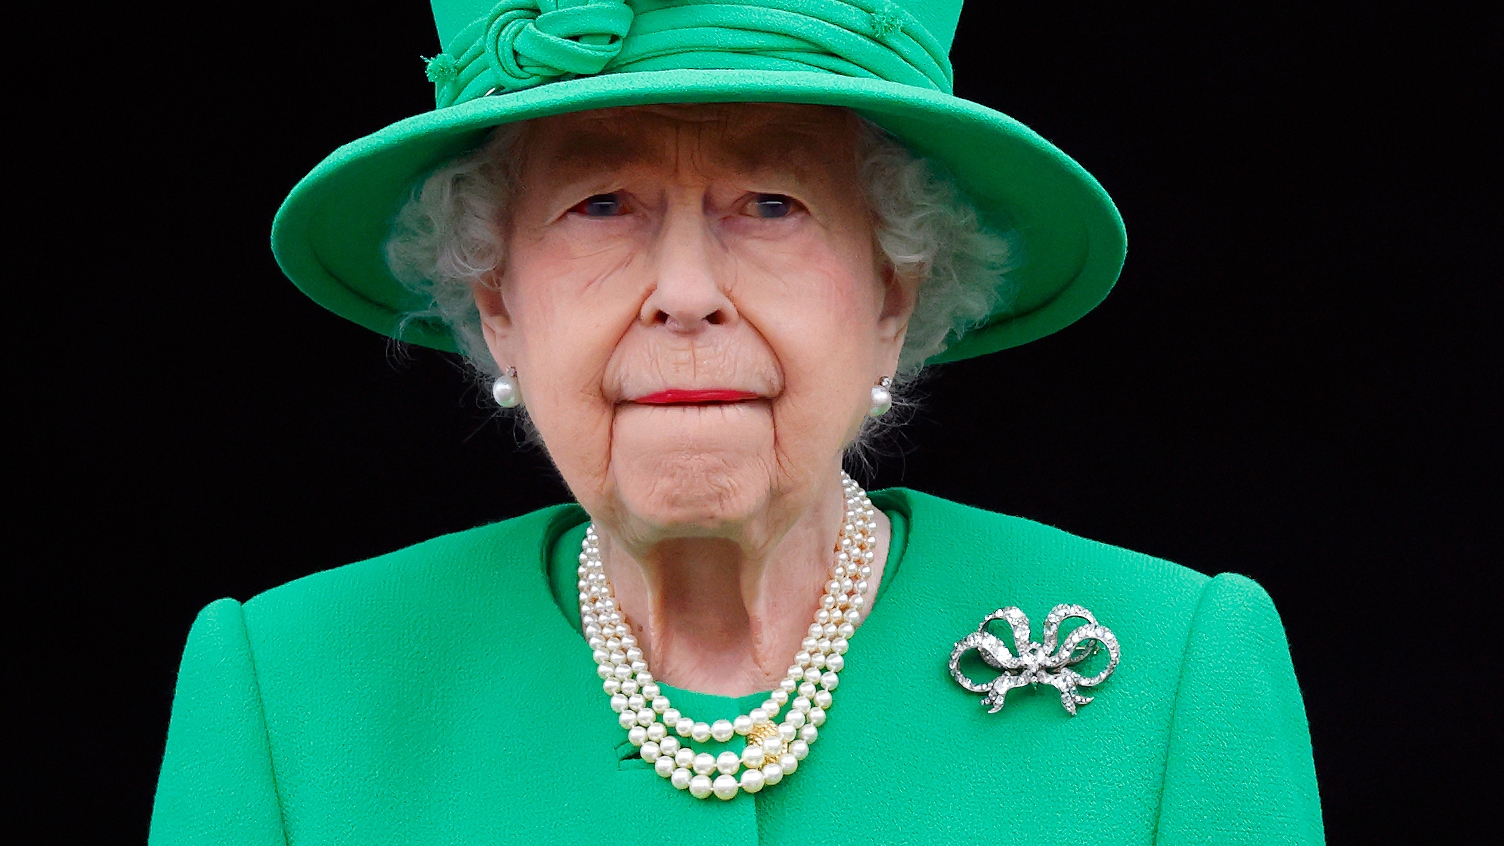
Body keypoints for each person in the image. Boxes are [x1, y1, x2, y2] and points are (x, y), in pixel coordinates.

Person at [152, 1, 1323, 843]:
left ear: (890, 296)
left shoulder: (1175, 674)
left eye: (770, 203)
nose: (685, 289)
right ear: (499, 305)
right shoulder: (284, 692)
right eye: (600, 203)